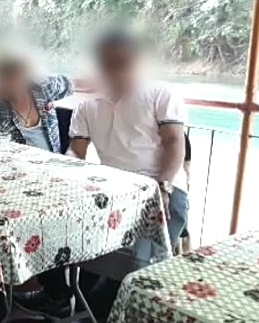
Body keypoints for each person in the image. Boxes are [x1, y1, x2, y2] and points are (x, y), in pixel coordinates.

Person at [68, 29, 189, 263]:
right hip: (115, 191)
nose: (115, 70)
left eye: (122, 62)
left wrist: (163, 188)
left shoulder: (160, 94)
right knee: (88, 255)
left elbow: (175, 142)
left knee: (141, 265)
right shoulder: (86, 106)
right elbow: (76, 150)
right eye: (108, 64)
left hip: (162, 188)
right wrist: (67, 171)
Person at [0, 56, 74, 153]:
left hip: (52, 162)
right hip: (14, 166)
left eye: (17, 74)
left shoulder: (44, 88)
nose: (13, 80)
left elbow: (71, 85)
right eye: (6, 76)